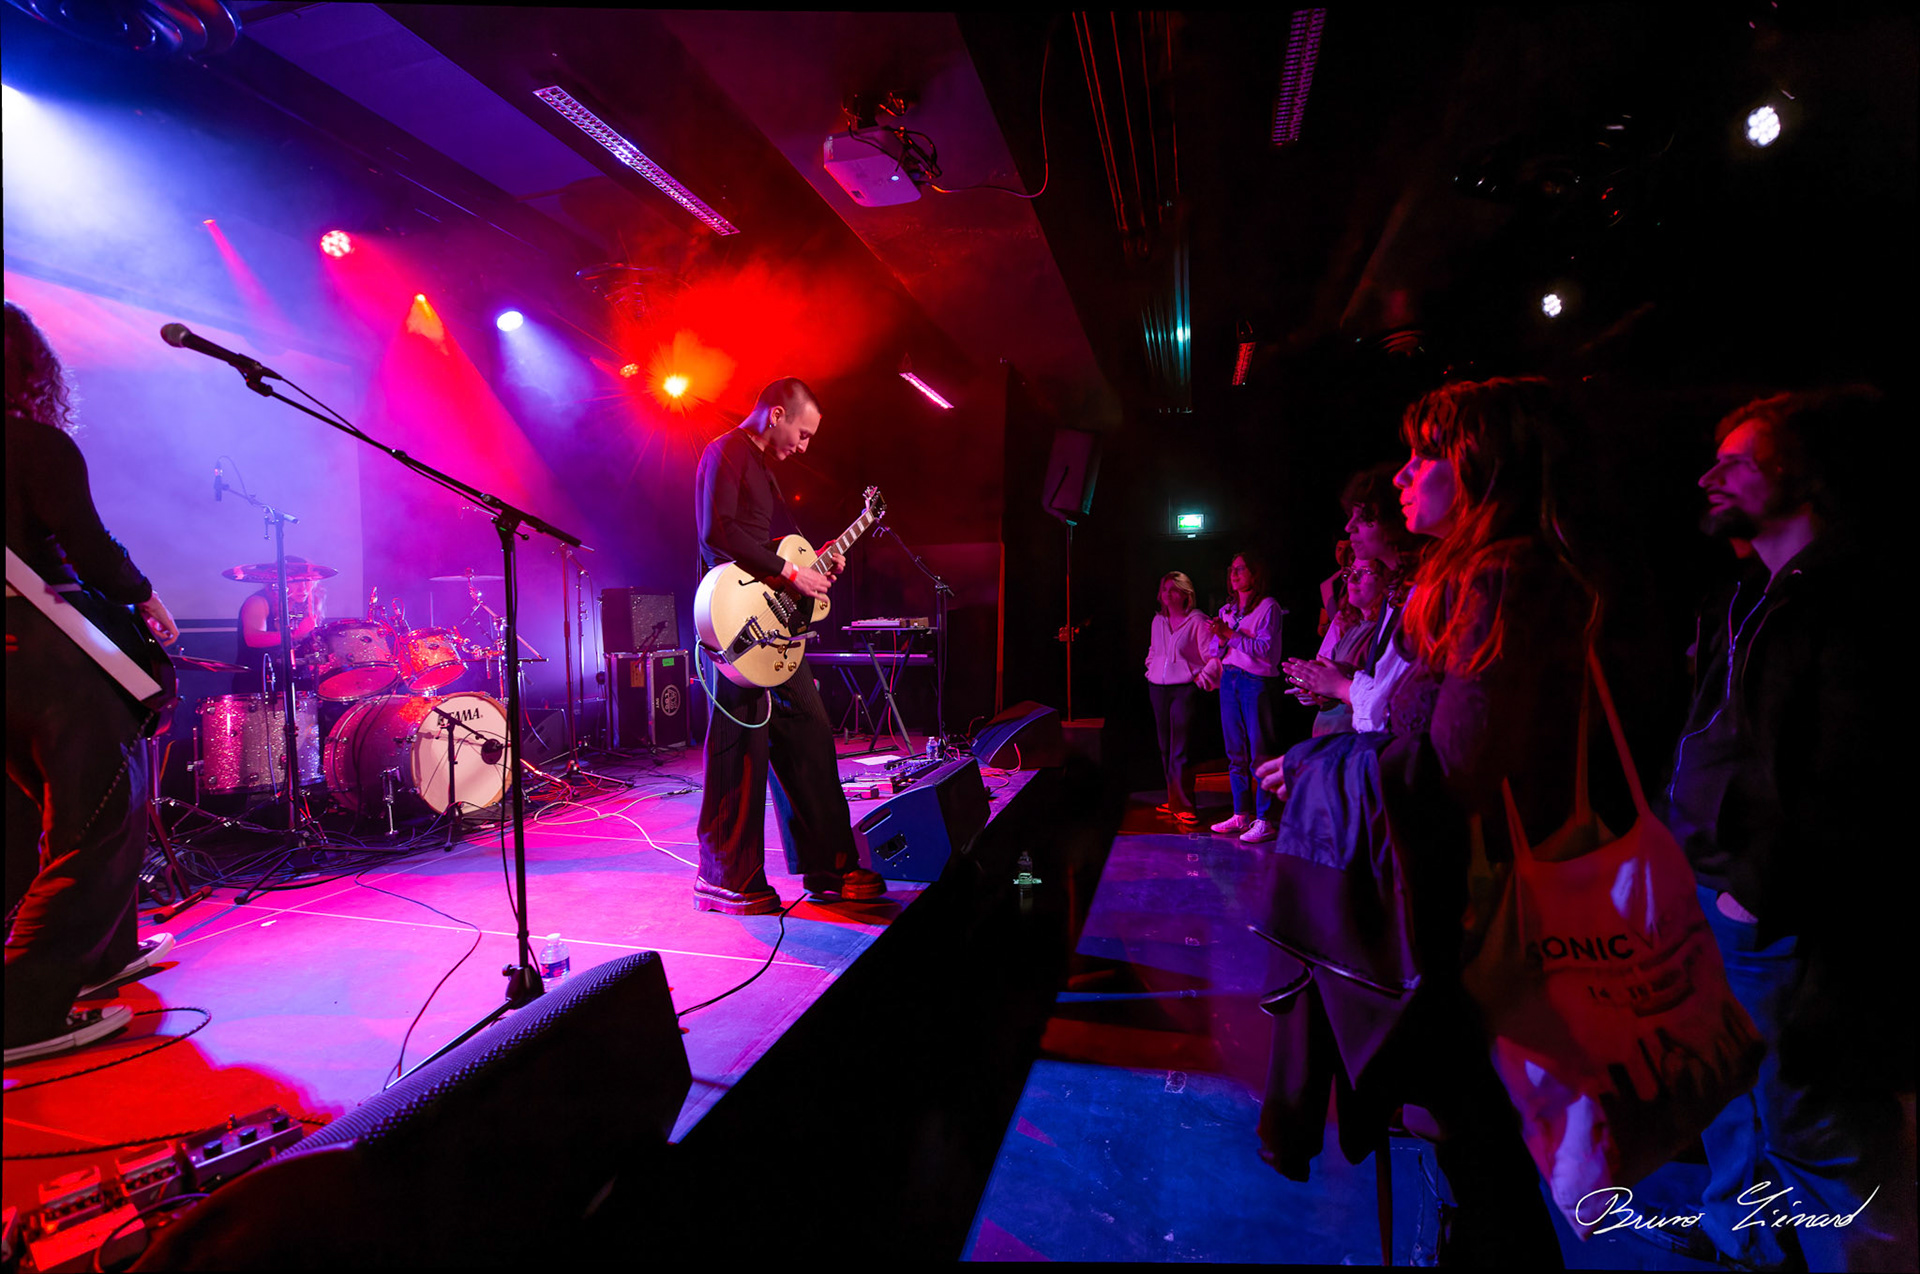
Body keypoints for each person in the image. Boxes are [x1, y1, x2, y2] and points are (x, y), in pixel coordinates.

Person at [1255, 377, 1598, 1266]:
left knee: (1476, 1139)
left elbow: (1458, 765)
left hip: (1478, 907)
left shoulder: (1502, 577)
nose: (1404, 475)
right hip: (1474, 896)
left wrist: (1318, 765)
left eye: (1424, 454)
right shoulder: (1486, 574)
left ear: (1481, 466)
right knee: (1470, 1142)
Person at [1663, 388, 1912, 1272]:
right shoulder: (1747, 596)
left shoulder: (1852, 597)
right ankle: (1744, 1235)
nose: (1709, 476)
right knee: (1731, 1090)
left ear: (1802, 472)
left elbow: (1851, 775)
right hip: (1713, 876)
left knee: (1816, 1116)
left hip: (1777, 903)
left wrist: (1754, 889)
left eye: (1735, 461)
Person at [5, 300, 179, 1064]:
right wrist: (143, 593)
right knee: (99, 819)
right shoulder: (33, 443)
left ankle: (108, 955)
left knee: (70, 813)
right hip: (49, 657)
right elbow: (88, 545)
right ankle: (22, 1013)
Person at [691, 377, 885, 915]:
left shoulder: (764, 469)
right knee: (739, 749)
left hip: (771, 624)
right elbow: (717, 534)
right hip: (732, 625)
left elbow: (765, 548)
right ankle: (724, 876)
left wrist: (809, 566)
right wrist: (792, 572)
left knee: (811, 732)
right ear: (776, 414)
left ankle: (830, 864)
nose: (804, 446)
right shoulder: (725, 451)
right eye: (803, 433)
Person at [1195, 551, 1284, 844]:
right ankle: (1241, 814)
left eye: (1241, 569)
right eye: (1232, 569)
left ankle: (1265, 819)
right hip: (1230, 678)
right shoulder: (1227, 610)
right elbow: (1214, 651)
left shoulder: (1268, 607)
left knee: (1260, 750)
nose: (1234, 574)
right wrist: (1220, 637)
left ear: (1255, 574)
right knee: (1235, 751)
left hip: (1255, 681)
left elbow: (1266, 651)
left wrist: (1230, 635)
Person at [1285, 555, 1391, 736]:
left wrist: (1337, 685)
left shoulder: (1384, 631)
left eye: (1364, 571)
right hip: (1330, 731)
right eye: (1351, 571)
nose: (1352, 578)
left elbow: (1378, 694)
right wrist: (1315, 688)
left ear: (1386, 581)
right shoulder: (1352, 628)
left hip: (1353, 735)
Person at [1144, 571, 1209, 823]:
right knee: (1165, 747)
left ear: (1185, 593)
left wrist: (1199, 678)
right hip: (1158, 688)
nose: (1167, 594)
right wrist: (1151, 667)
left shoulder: (1197, 621)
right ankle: (1174, 800)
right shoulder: (1158, 621)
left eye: (1173, 589)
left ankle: (1185, 804)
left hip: (1183, 689)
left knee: (1181, 748)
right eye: (1164, 589)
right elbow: (1153, 650)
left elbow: (1210, 654)